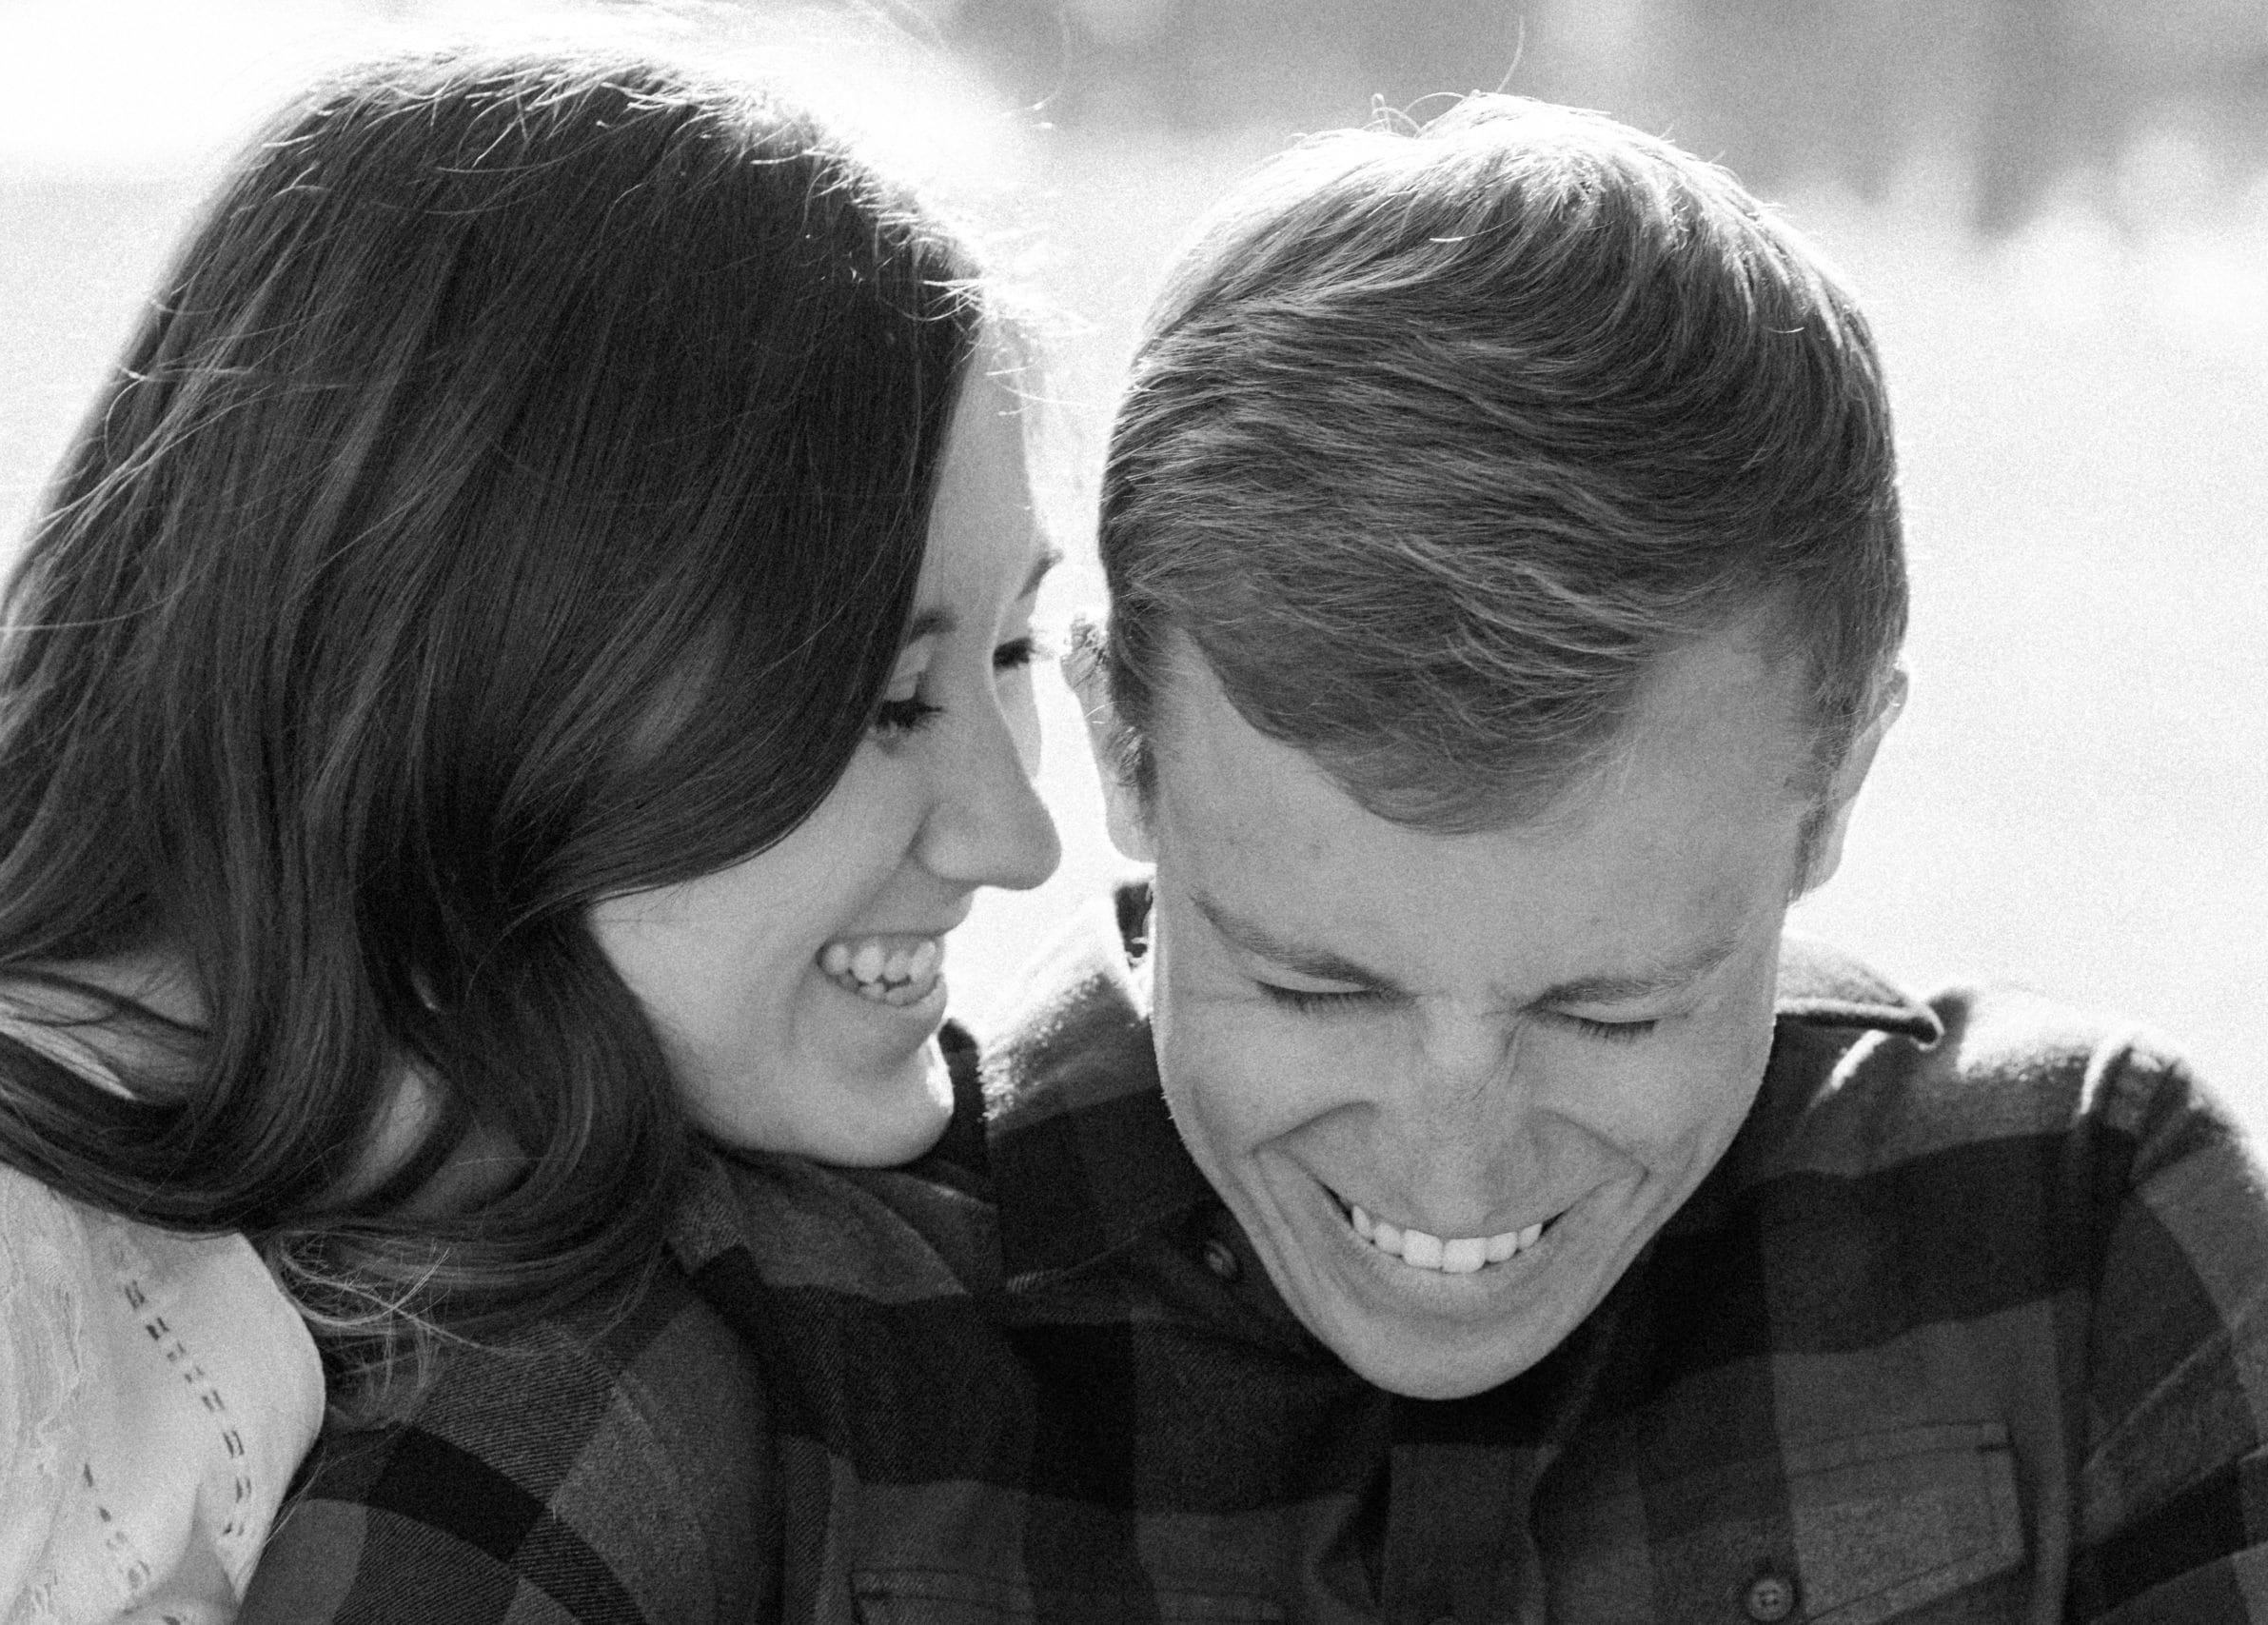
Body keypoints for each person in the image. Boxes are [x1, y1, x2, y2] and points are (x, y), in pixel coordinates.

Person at [262, 94, 2268, 1625]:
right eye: (1316, 983)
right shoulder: (730, 1329)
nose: (1452, 1165)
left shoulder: (2075, 1231)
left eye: (1606, 1004)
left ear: (1834, 783)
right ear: (1125, 738)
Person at [0, 44, 1057, 1623]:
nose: (1015, 836)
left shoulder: (729, 1287)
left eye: (1014, 655)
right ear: (496, 679)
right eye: (887, 700)